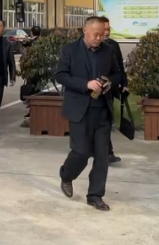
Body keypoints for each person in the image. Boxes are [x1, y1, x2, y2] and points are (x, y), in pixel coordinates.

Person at [57, 16, 123, 211]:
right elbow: (61, 75)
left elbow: (117, 73)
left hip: (102, 110)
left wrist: (109, 82)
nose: (98, 38)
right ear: (85, 31)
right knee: (81, 152)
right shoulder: (70, 50)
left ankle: (95, 195)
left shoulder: (108, 51)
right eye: (95, 34)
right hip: (79, 110)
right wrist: (85, 84)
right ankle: (66, 175)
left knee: (102, 157)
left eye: (102, 34)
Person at [98, 16, 127, 164]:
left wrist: (124, 83)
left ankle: (107, 153)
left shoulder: (113, 46)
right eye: (104, 29)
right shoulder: (86, 46)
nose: (107, 32)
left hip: (108, 90)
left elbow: (119, 67)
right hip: (90, 91)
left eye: (109, 29)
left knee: (105, 121)